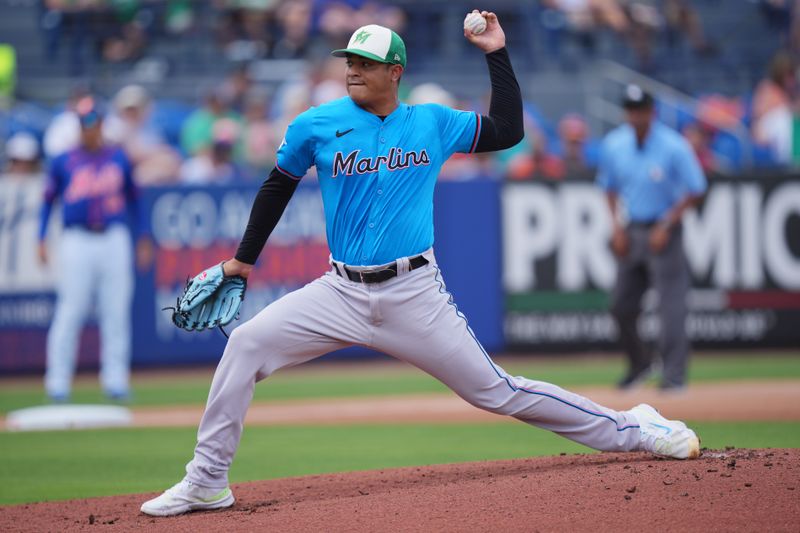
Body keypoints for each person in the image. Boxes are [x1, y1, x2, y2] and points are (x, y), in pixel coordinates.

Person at [141, 13, 700, 517]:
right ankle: (207, 481)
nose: (354, 70)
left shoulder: (431, 122)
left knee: (497, 392)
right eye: (350, 62)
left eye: (366, 63)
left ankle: (637, 428)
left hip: (413, 292)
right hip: (338, 292)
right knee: (244, 345)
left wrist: (496, 53)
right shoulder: (317, 123)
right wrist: (243, 261)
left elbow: (509, 130)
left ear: (396, 72)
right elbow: (276, 186)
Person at [596, 84, 707, 392]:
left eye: (640, 110)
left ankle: (674, 376)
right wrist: (617, 227)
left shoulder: (673, 146)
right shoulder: (615, 143)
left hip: (664, 230)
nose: (634, 115)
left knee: (670, 306)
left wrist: (668, 223)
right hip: (632, 230)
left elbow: (696, 188)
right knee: (620, 305)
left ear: (651, 112)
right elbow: (608, 187)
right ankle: (640, 364)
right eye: (630, 110)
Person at [38, 97, 139, 402]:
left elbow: (135, 198)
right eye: (85, 125)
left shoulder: (118, 157)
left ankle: (116, 380)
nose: (90, 130)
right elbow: (47, 201)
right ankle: (57, 382)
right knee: (70, 309)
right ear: (78, 128)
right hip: (77, 239)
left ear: (102, 126)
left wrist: (143, 236)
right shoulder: (63, 160)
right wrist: (41, 238)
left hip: (113, 236)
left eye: (94, 124)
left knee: (116, 311)